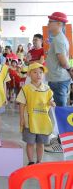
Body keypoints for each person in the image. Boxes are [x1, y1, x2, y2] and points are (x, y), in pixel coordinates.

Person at [16, 63, 55, 165]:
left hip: (43, 122)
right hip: (30, 122)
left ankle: (39, 162)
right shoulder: (26, 89)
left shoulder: (47, 89)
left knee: (40, 143)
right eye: (35, 72)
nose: (38, 75)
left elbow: (51, 101)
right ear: (29, 74)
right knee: (30, 143)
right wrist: (21, 118)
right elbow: (22, 104)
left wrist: (51, 103)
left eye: (41, 73)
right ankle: (31, 162)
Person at [45, 12, 72, 153]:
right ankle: (61, 140)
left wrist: (70, 69)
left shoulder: (59, 40)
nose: (49, 24)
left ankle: (62, 145)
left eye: (51, 21)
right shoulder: (57, 39)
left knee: (61, 112)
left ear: (59, 24)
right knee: (58, 111)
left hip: (59, 80)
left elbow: (63, 61)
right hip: (56, 79)